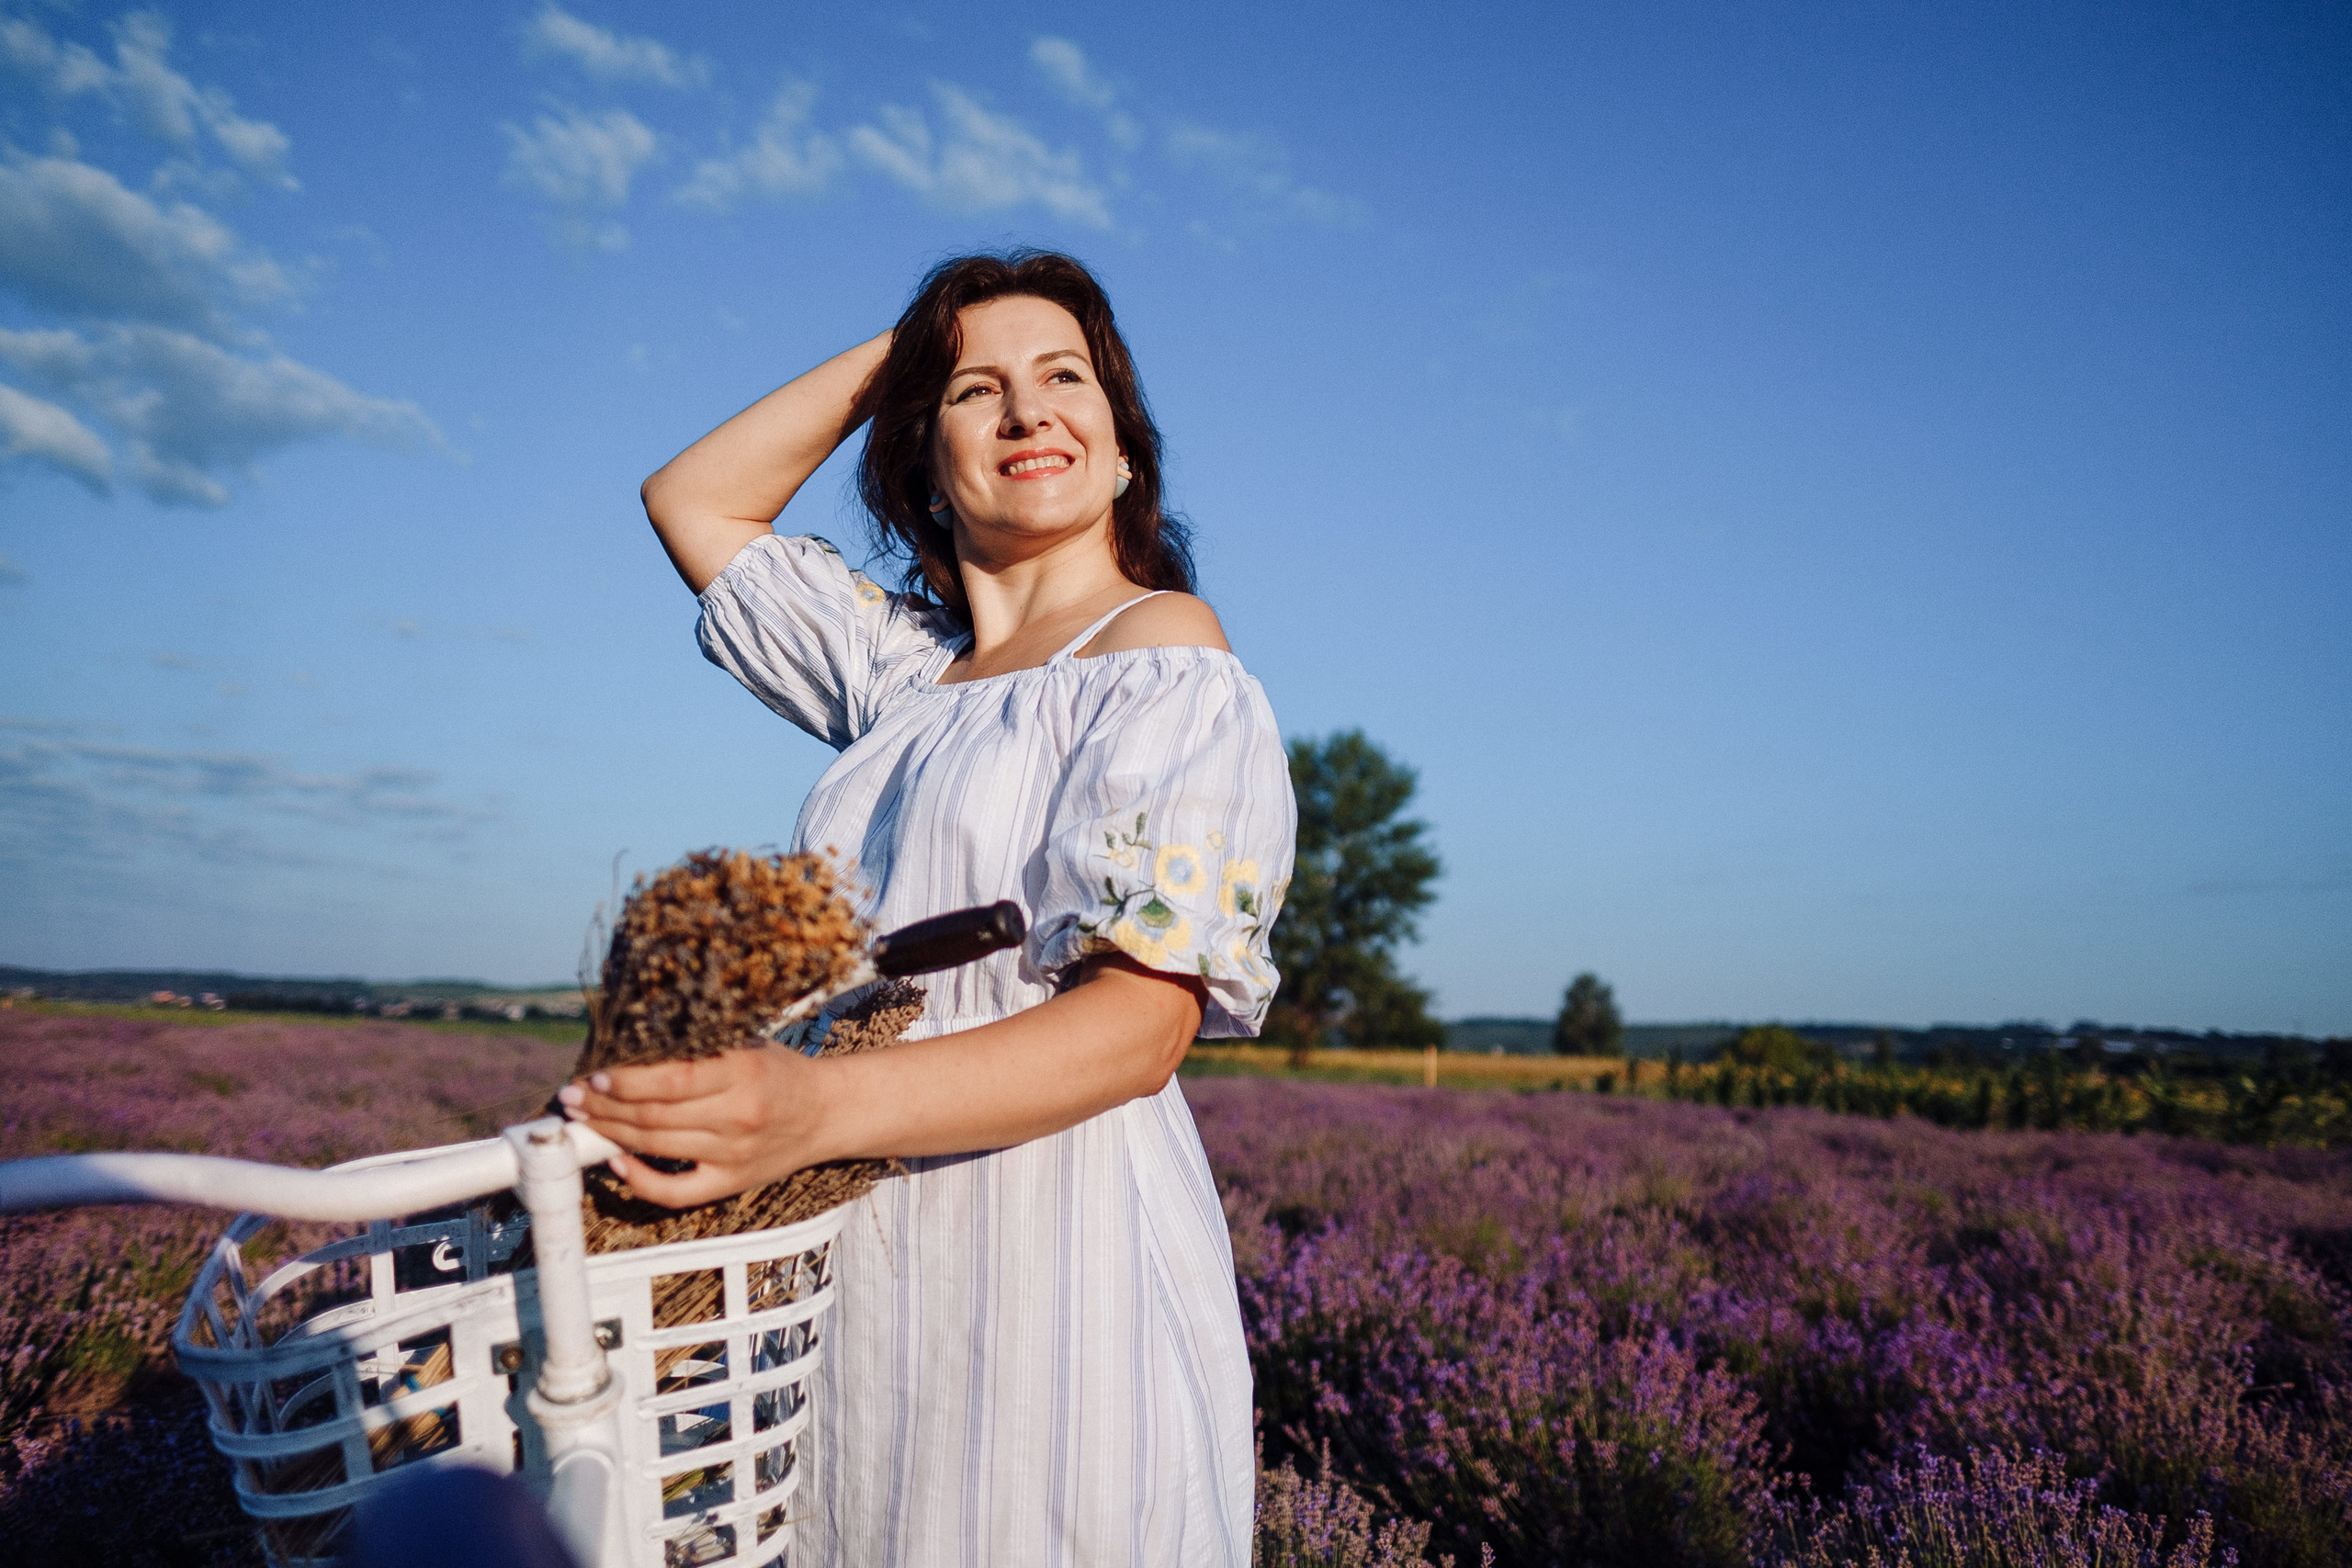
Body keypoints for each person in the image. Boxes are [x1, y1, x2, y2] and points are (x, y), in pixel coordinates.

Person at [560, 251, 1295, 1566]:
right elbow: (696, 504)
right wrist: (913, 343)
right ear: (921, 464)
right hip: (853, 1256)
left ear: (1125, 453)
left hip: (1053, 1261)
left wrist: (809, 1112)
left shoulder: (1165, 658)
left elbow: (1139, 1029)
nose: (1028, 411)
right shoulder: (908, 682)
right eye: (976, 391)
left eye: (1068, 379)